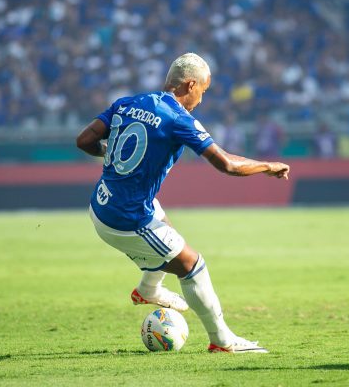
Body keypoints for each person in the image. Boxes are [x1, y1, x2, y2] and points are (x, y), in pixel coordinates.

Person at [76, 53, 290, 354]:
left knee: (164, 224)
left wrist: (113, 156)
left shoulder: (128, 102)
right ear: (190, 84)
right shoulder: (178, 119)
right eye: (203, 90)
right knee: (193, 265)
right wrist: (267, 166)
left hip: (100, 203)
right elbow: (227, 164)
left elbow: (83, 141)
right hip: (126, 219)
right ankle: (223, 341)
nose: (201, 99)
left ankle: (148, 290)